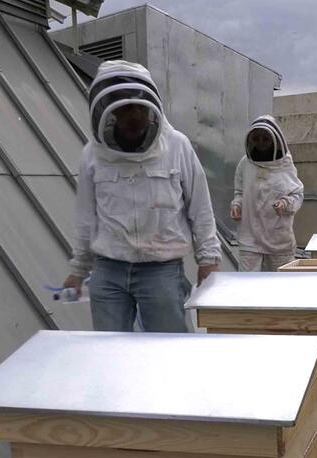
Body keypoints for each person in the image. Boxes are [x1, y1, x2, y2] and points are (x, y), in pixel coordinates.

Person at [63, 61, 220, 332]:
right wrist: (78, 270)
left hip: (161, 270)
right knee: (109, 352)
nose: (133, 116)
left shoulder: (177, 146)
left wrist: (208, 260)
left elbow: (200, 208)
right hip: (108, 270)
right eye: (125, 108)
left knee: (169, 351)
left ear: (150, 107)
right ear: (109, 110)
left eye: (138, 107)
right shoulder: (92, 154)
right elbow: (86, 218)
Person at [230, 115, 304, 271]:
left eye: (265, 139)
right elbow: (239, 192)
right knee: (247, 287)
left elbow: (297, 195)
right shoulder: (245, 163)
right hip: (249, 238)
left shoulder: (285, 164)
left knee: (280, 287)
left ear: (274, 140)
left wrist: (285, 204)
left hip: (278, 239)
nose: (261, 143)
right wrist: (237, 205)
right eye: (257, 139)